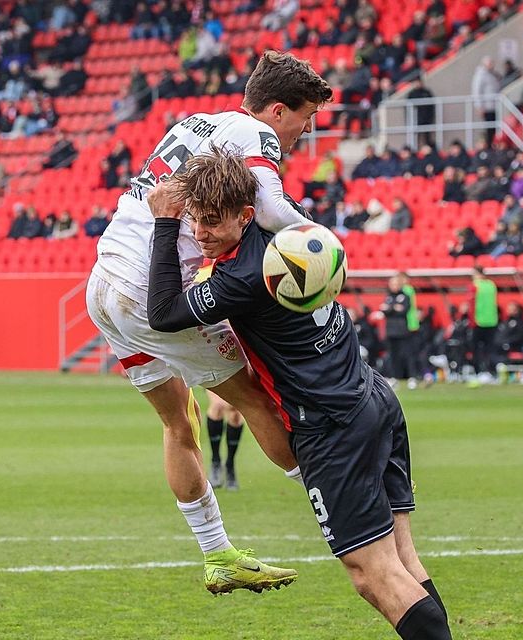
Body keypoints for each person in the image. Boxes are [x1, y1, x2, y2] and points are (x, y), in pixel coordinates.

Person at [146, 150, 452, 640]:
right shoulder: (282, 231)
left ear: (246, 215)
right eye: (190, 221)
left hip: (333, 427)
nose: (198, 233)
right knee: (400, 561)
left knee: (372, 574)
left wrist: (164, 224)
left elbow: (161, 312)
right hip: (372, 396)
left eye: (211, 222)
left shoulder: (244, 275)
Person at [87, 51, 334, 596]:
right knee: (254, 400)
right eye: (305, 118)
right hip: (149, 287)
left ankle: (219, 555)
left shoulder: (194, 122)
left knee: (180, 424)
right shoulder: (254, 134)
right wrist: (323, 241)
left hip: (103, 283)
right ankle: (340, 505)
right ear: (275, 110)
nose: (305, 132)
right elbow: (268, 207)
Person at [204, 389, 244, 490]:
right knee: (218, 405)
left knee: (235, 413)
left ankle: (230, 465)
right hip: (212, 373)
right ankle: (215, 461)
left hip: (238, 374)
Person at [469, 265, 499, 381]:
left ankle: (479, 372)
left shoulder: (474, 286)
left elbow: (472, 305)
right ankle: (492, 372)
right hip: (492, 321)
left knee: (476, 349)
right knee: (490, 348)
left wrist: (472, 322)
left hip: (478, 321)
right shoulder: (492, 285)